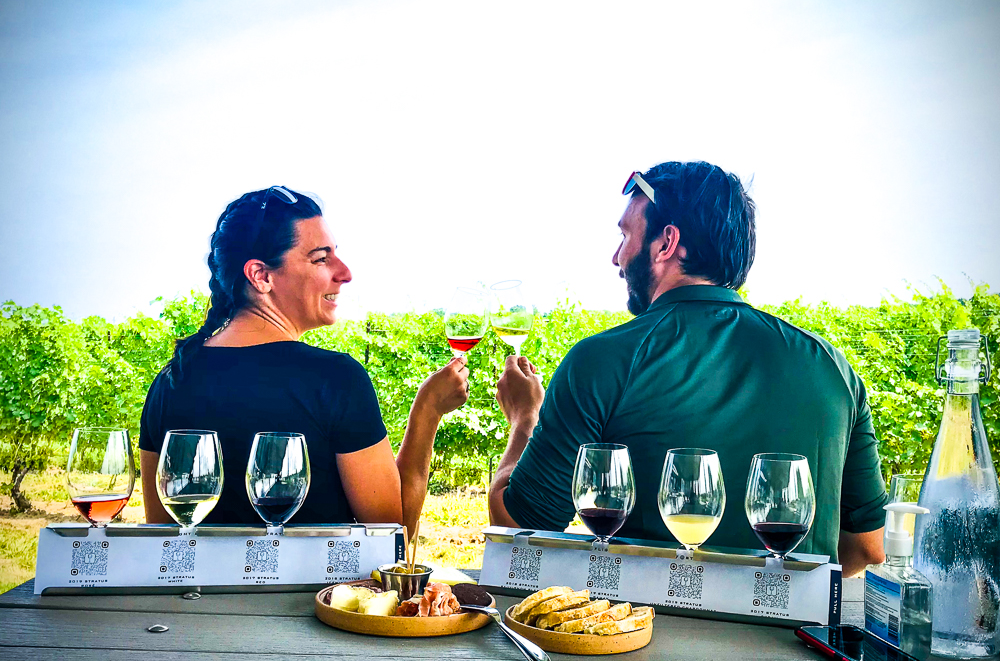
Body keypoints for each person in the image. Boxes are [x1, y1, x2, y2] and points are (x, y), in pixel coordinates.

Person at [488, 162, 888, 576]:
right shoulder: (832, 367)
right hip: (798, 639)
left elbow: (518, 529)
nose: (616, 258)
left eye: (625, 235)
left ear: (666, 244)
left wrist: (523, 418)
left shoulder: (603, 360)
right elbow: (866, 549)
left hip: (642, 635)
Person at [140, 186, 467, 535]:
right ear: (261, 276)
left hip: (202, 592)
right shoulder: (337, 380)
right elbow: (392, 535)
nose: (345, 273)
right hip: (314, 593)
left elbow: (164, 537)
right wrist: (428, 411)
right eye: (321, 259)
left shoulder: (172, 379)